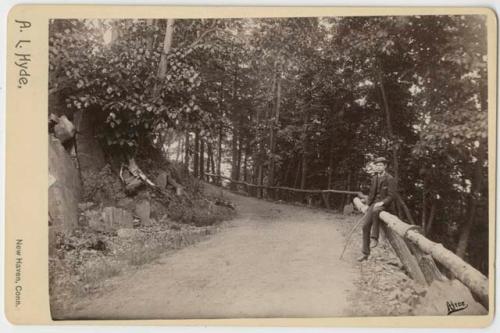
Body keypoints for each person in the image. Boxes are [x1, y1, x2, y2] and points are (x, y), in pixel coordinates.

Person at [357, 157, 397, 262]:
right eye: (377, 165)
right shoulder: (375, 178)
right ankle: (365, 253)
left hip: (385, 205)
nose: (378, 167)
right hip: (374, 204)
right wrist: (367, 204)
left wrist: (381, 202)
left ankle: (374, 237)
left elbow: (391, 196)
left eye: (380, 165)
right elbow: (371, 194)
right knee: (365, 226)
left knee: (376, 210)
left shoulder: (390, 178)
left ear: (385, 166)